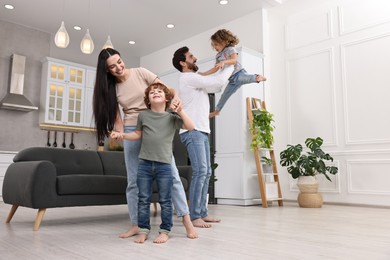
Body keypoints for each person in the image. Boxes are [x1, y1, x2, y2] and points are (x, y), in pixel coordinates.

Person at [93, 48, 198, 239]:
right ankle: (136, 224)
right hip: (133, 129)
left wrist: (176, 105)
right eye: (112, 66)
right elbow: (118, 117)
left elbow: (166, 91)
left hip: (157, 126)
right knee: (133, 182)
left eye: (119, 61)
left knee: (173, 177)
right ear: (107, 70)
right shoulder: (111, 89)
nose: (118, 67)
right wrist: (120, 134)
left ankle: (186, 220)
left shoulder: (140, 72)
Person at [111, 83, 195, 243]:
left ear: (166, 98)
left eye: (159, 92)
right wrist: (122, 135)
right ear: (148, 100)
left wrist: (180, 111)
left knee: (165, 199)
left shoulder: (172, 118)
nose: (155, 93)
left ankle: (165, 231)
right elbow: (136, 134)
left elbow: (191, 126)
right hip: (144, 164)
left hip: (164, 165)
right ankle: (143, 230)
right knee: (143, 198)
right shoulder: (143, 116)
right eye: (152, 92)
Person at [172, 46, 233, 228]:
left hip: (201, 130)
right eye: (191, 56)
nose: (195, 57)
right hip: (193, 131)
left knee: (205, 172)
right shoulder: (188, 77)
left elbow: (209, 78)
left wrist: (219, 67)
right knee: (200, 172)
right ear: (183, 63)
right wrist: (230, 63)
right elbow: (218, 84)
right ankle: (194, 216)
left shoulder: (194, 78)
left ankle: (202, 213)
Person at [198, 29, 267, 118]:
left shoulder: (230, 49)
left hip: (238, 73)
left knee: (244, 78)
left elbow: (234, 60)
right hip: (232, 80)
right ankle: (217, 111)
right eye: (213, 45)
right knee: (224, 95)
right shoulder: (218, 55)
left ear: (223, 41)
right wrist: (204, 74)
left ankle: (257, 77)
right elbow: (215, 69)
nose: (215, 47)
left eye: (216, 44)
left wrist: (224, 62)